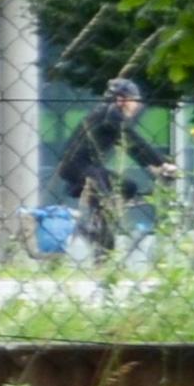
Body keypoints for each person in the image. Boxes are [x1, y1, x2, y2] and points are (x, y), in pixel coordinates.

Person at [52, 77, 161, 255]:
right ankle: (99, 245)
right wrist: (161, 163)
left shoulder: (106, 113)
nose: (137, 105)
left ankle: (93, 228)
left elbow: (132, 147)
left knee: (128, 187)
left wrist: (152, 165)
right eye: (135, 100)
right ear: (122, 100)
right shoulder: (110, 115)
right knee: (106, 204)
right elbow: (134, 142)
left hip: (87, 167)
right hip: (78, 167)